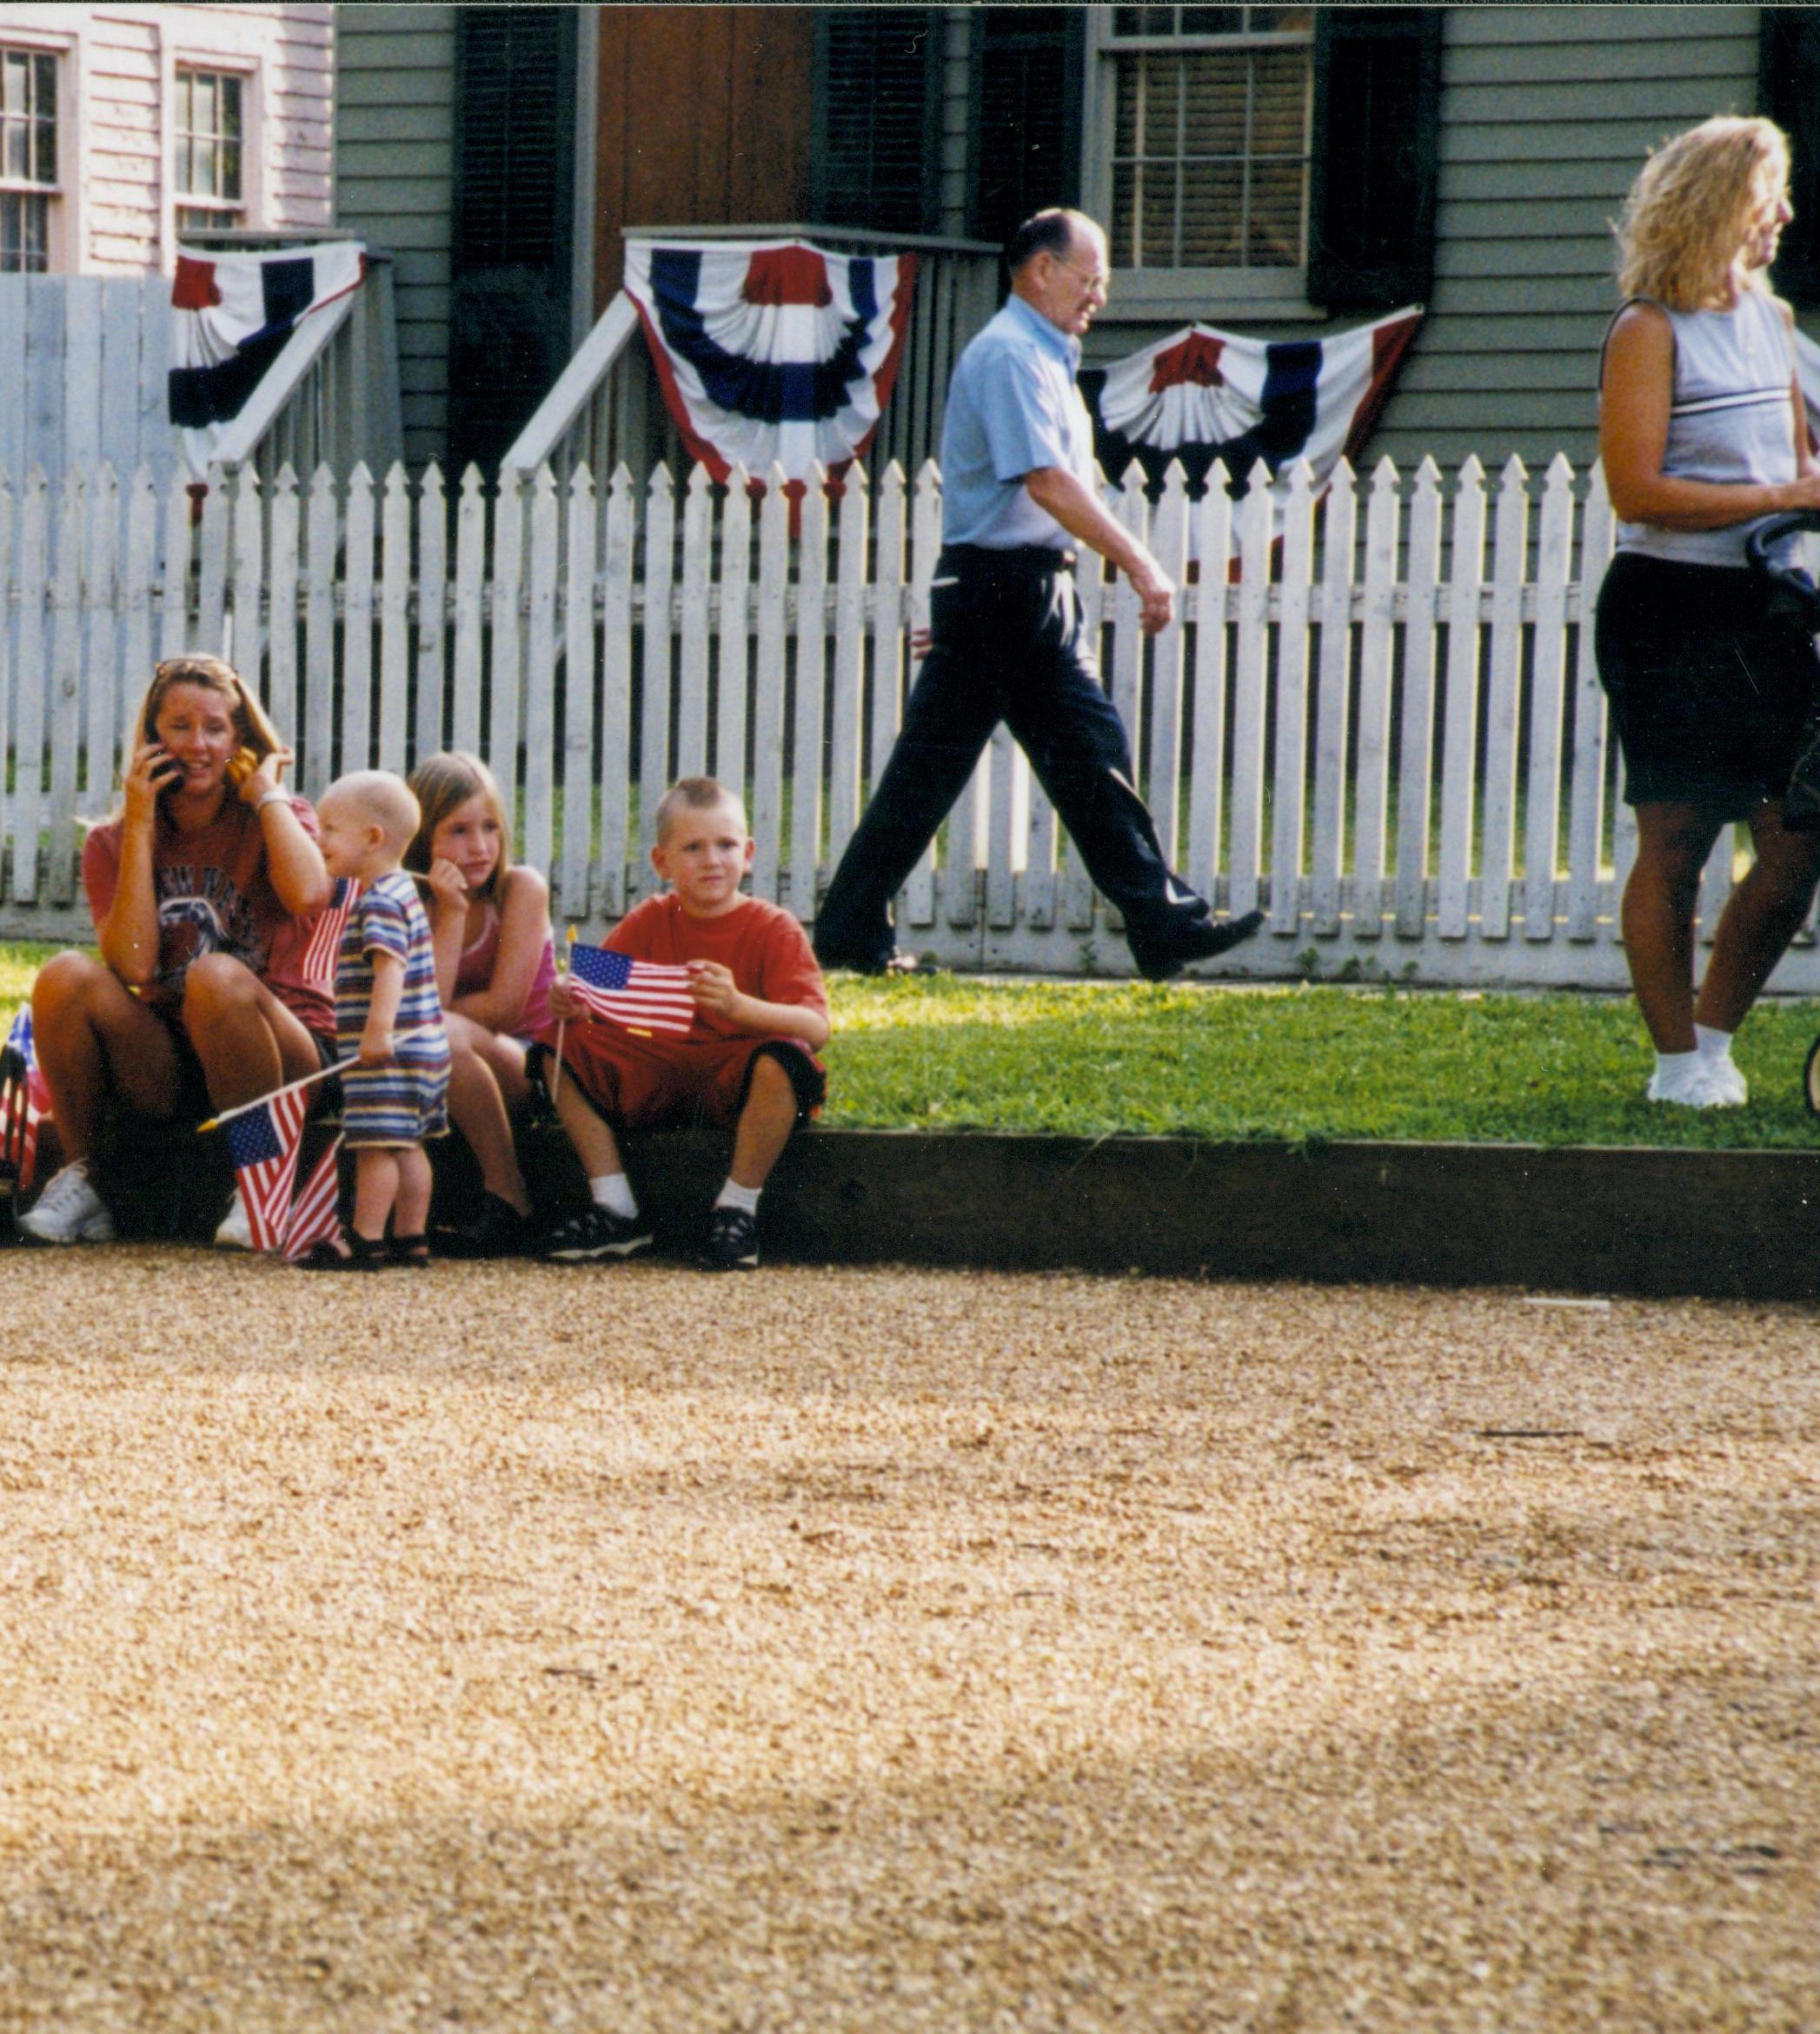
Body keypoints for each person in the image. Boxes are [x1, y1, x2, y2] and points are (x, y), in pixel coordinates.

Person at [809, 207, 1262, 983]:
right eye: (1090, 280)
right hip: (1003, 590)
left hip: (1010, 591)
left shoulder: (1042, 356)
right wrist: (1140, 565)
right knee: (981, 769)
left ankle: (1161, 926)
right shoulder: (1011, 357)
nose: (1099, 298)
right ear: (1041, 269)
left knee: (1074, 756)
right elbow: (1046, 482)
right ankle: (1159, 924)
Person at [1594, 116, 1820, 1109]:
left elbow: (1790, 462)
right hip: (1668, 611)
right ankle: (1676, 1064)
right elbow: (1637, 493)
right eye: (1773, 196)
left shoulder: (1775, 319)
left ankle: (1711, 1041)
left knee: (1802, 838)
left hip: (1766, 604)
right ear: (1721, 204)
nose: (1788, 216)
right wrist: (1784, 498)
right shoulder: (1646, 329)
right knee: (1675, 840)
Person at [20, 655, 335, 1245]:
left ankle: (259, 1181)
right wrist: (139, 823)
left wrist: (267, 793)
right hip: (173, 1056)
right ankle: (91, 1183)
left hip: (284, 1050)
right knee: (64, 975)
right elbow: (136, 965)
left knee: (214, 976)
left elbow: (310, 894)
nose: (197, 744)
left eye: (215, 729)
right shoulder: (113, 841)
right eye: (179, 726)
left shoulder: (275, 816)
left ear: (239, 740)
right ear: (150, 739)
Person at [541, 778, 830, 1273]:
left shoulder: (772, 926)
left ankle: (737, 1209)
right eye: (693, 848)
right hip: (663, 1066)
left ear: (749, 853)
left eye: (725, 845)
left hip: (736, 1073)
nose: (712, 860)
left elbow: (815, 1026)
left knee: (784, 1057)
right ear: (662, 862)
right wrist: (570, 1000)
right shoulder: (651, 919)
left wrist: (740, 1007)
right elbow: (598, 998)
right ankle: (615, 1205)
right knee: (558, 1045)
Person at [298, 772, 451, 1269]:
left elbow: (390, 966)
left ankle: (364, 1238)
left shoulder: (379, 900)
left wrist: (377, 1030)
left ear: (372, 838)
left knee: (375, 1146)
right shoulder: (405, 891)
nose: (318, 840)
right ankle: (411, 1236)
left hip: (389, 1048)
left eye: (329, 829)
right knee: (407, 1145)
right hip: (425, 1048)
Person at [407, 751, 549, 1254]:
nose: (480, 847)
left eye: (490, 827)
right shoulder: (414, 904)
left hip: (527, 1062)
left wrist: (433, 1023)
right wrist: (448, 914)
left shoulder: (519, 891)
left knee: (433, 1032)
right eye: (458, 831)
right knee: (433, 1033)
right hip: (445, 1067)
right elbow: (431, 1003)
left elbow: (506, 1008)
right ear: (423, 838)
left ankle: (511, 1194)